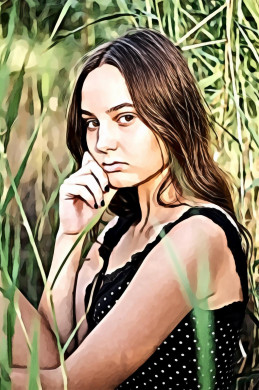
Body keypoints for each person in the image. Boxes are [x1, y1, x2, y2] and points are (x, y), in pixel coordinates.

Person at [4, 27, 252, 389]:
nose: (103, 142)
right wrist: (69, 237)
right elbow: (56, 347)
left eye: (125, 118)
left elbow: (71, 384)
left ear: (171, 114)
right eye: (92, 123)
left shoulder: (199, 236)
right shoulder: (119, 230)